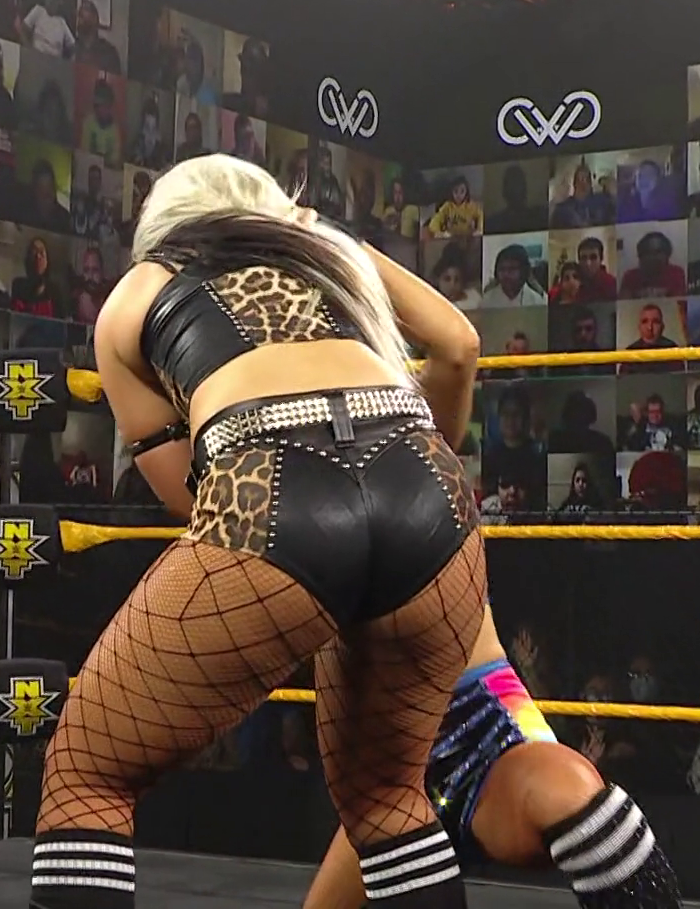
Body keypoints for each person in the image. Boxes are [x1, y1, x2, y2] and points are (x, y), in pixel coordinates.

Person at [36, 155, 487, 907]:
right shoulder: (333, 261)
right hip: (428, 490)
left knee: (88, 775)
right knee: (387, 800)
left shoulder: (140, 289)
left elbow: (189, 495)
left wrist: (302, 564)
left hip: (274, 484)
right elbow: (460, 344)